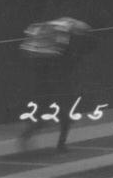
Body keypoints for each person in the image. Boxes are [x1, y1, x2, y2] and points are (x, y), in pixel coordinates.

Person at [16, 17, 93, 152]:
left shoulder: (56, 31)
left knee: (50, 115)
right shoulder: (64, 38)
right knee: (61, 115)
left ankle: (30, 136)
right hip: (56, 82)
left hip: (48, 81)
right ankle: (59, 144)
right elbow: (64, 61)